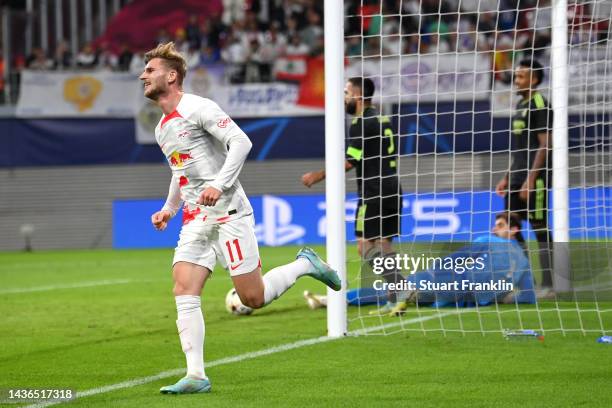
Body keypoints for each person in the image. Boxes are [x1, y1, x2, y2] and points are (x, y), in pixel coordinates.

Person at [140, 42, 340, 395]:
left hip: (229, 212)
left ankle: (305, 264)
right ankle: (196, 375)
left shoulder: (198, 107)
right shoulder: (161, 128)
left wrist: (219, 184)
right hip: (195, 218)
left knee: (253, 298)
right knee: (183, 288)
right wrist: (170, 208)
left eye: (150, 70)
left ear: (171, 76)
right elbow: (180, 171)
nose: (143, 75)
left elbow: (241, 142)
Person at [301, 77, 403, 314]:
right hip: (392, 187)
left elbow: (350, 161)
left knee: (364, 247)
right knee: (385, 245)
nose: (344, 97)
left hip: (373, 192)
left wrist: (317, 175)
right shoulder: (382, 118)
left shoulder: (360, 123)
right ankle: (394, 299)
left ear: (357, 96)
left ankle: (402, 287)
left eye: (346, 92)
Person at [304, 212, 536, 312]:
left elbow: (460, 257)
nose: (495, 228)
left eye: (501, 225)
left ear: (514, 230)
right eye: (496, 224)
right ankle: (332, 300)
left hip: (448, 286)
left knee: (393, 290)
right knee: (399, 292)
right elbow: (527, 296)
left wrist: (432, 271)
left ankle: (332, 300)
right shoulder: (524, 260)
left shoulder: (488, 240)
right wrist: (497, 294)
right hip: (468, 300)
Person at [495, 59, 553, 295]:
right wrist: (507, 176)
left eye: (521, 77)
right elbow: (521, 148)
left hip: (535, 179)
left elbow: (545, 144)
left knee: (539, 228)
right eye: (516, 76)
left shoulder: (540, 104)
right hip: (517, 175)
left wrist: (531, 179)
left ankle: (550, 284)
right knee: (511, 227)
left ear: (535, 79)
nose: (516, 81)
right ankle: (523, 280)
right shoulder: (521, 104)